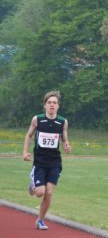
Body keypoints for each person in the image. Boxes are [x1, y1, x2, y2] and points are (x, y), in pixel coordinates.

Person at [23, 91, 72, 230]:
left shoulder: (63, 122)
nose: (52, 105)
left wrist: (66, 146)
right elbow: (29, 135)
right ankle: (33, 186)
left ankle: (40, 220)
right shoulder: (37, 119)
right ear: (45, 105)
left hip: (55, 162)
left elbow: (64, 139)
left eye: (54, 103)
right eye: (49, 102)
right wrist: (25, 152)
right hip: (40, 162)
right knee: (40, 193)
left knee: (49, 192)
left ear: (58, 106)